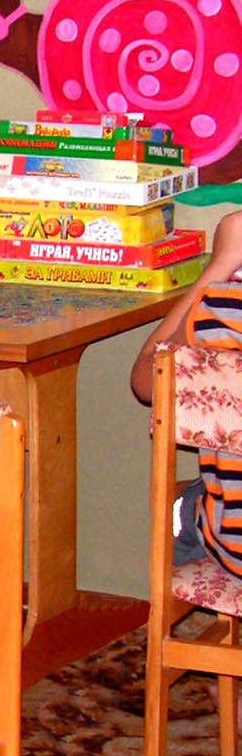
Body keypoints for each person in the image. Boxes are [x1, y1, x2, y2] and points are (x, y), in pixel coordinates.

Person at [131, 210, 242, 580]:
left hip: (235, 550)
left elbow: (146, 379)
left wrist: (221, 265)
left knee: (187, 498)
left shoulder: (224, 308)